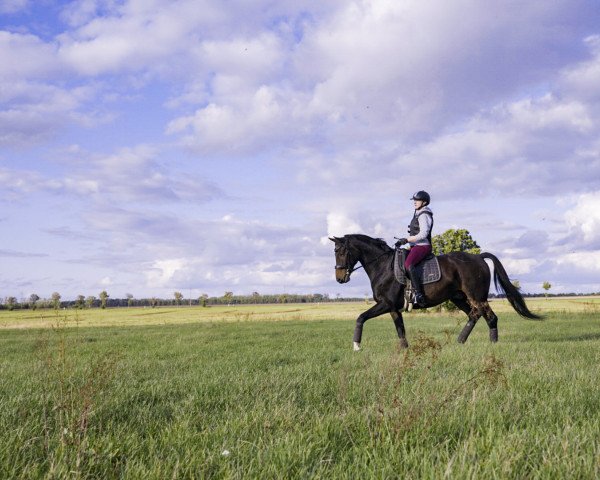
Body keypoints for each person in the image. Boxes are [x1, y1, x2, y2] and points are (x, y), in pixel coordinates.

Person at [395, 191, 433, 307]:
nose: (415, 202)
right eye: (414, 200)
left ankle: (419, 294)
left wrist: (406, 239)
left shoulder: (424, 214)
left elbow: (423, 234)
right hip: (415, 246)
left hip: (423, 246)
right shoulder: (417, 213)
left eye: (417, 200)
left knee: (408, 265)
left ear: (424, 202)